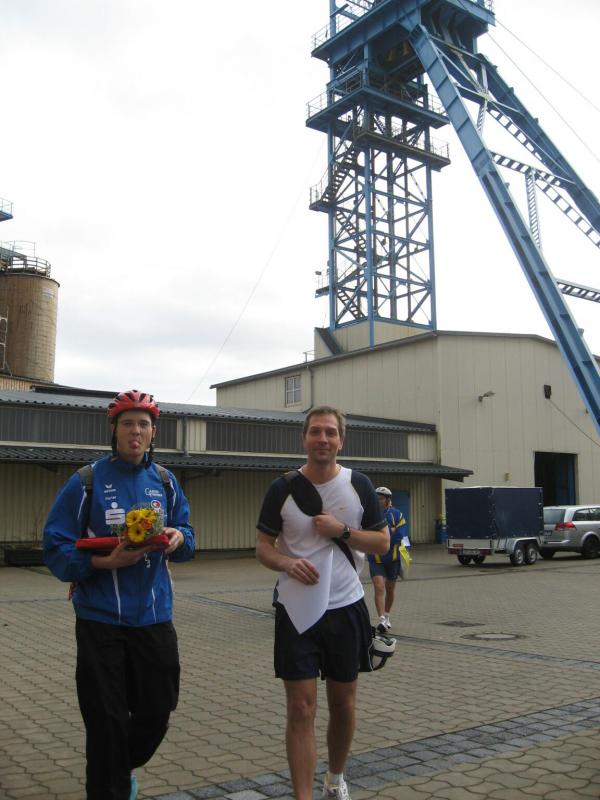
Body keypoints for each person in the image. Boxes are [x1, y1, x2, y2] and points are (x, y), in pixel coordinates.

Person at [43, 390, 195, 800]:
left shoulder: (165, 481)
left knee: (157, 710)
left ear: (153, 432)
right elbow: (54, 546)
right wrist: (101, 563)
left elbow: (187, 533)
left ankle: (119, 766)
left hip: (154, 617)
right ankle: (110, 784)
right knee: (105, 721)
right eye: (128, 423)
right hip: (100, 619)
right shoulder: (86, 481)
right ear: (114, 429)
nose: (136, 431)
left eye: (143, 424)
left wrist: (180, 538)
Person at [255, 405, 389, 800]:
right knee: (300, 707)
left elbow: (382, 542)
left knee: (343, 704)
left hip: (346, 608)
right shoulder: (281, 488)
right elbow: (263, 547)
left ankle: (335, 778)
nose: (323, 439)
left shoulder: (358, 484)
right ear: (305, 438)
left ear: (341, 440)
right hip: (296, 610)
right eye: (315, 431)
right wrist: (286, 563)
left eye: (330, 432)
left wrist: (342, 531)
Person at [368, 486, 407, 634]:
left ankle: (387, 615)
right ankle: (381, 620)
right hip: (375, 558)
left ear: (387, 499)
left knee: (390, 589)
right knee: (379, 587)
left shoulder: (397, 514)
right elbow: (366, 533)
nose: (378, 501)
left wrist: (382, 536)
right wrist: (389, 532)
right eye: (376, 498)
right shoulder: (369, 514)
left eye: (381, 498)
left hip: (393, 559)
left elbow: (400, 535)